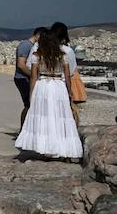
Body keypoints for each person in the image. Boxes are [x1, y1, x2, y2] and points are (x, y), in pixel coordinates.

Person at [16, 26, 82, 161]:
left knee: (44, 116)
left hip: (43, 86)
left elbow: (34, 77)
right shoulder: (62, 56)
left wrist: (31, 94)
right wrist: (69, 93)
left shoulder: (37, 56)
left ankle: (45, 149)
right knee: (60, 116)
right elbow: (68, 77)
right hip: (59, 87)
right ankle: (64, 149)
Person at [15, 27, 45, 129]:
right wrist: (34, 76)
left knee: (30, 105)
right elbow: (21, 65)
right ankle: (23, 129)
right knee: (28, 104)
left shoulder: (32, 46)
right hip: (22, 78)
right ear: (38, 35)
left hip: (26, 77)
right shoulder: (25, 45)